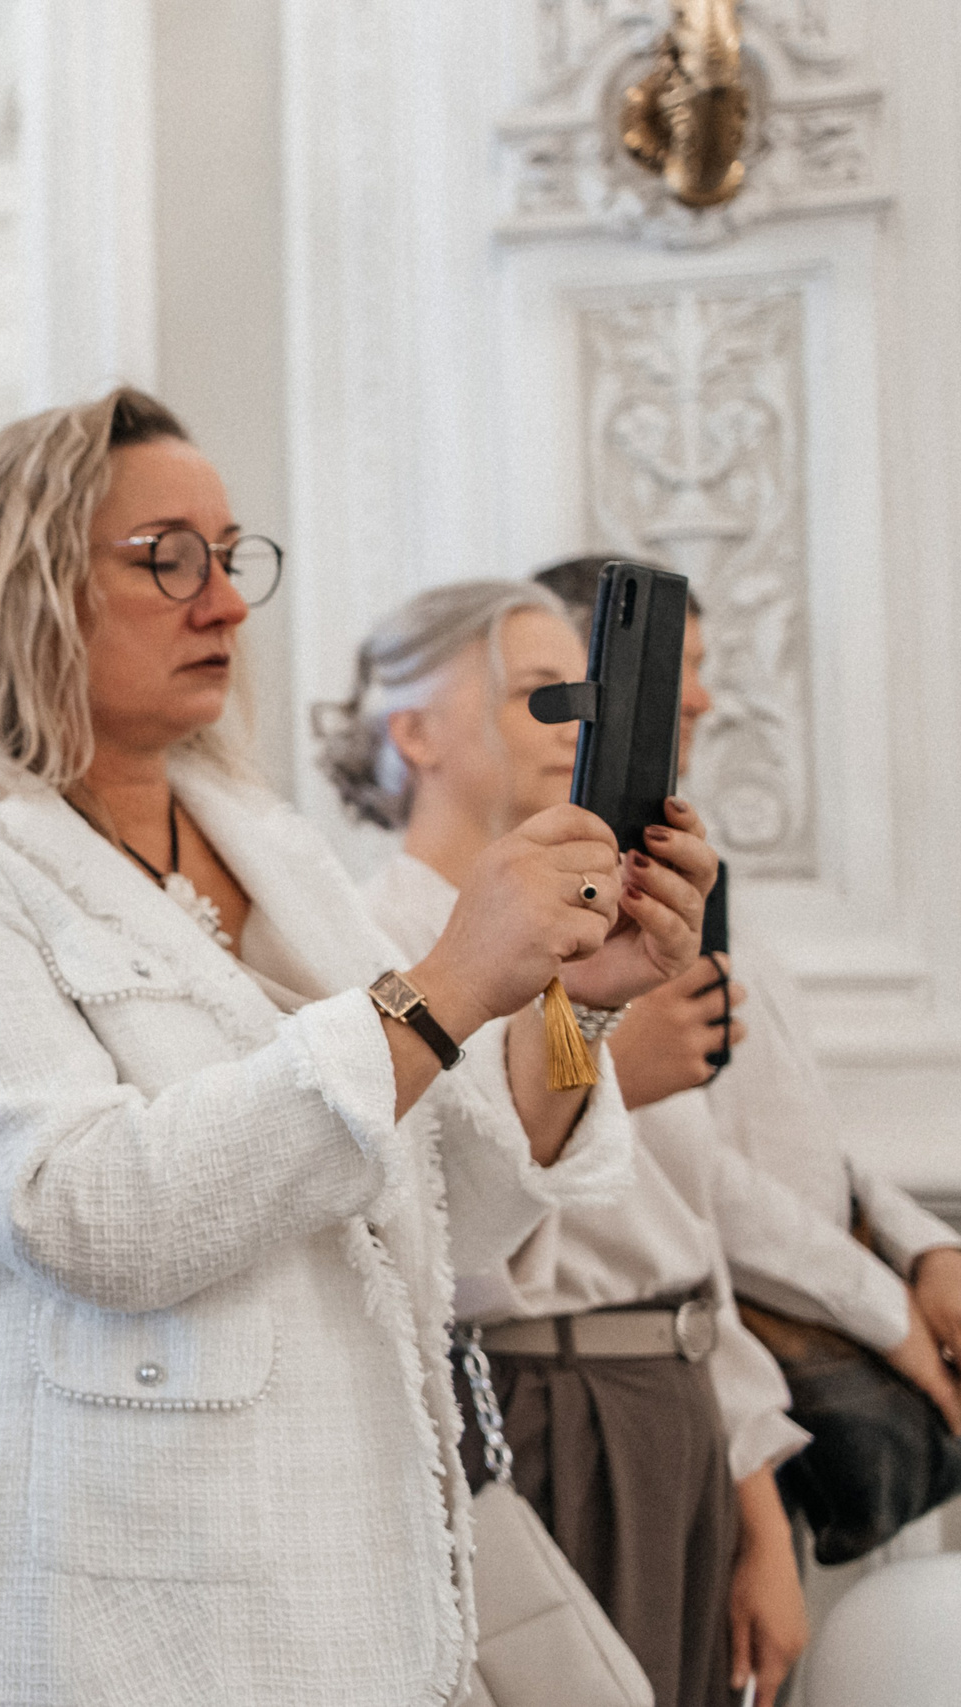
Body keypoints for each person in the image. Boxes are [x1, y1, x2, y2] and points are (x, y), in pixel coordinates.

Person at [0, 388, 707, 1705]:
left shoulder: (272, 845)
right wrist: (451, 980)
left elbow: (447, 1217)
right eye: (165, 557)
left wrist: (580, 1008)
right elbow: (93, 1212)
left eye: (232, 558)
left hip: (342, 1600)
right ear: (25, 586)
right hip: (89, 1611)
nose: (226, 601)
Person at [326, 577, 958, 1705]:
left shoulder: (595, 921)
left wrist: (752, 1491)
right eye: (536, 695)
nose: (575, 728)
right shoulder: (367, 935)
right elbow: (423, 1213)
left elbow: (685, 1225)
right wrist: (598, 1055)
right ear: (409, 728)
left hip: (675, 1397)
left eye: (583, 697)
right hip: (529, 1396)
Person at [532, 556, 961, 1376]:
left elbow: (792, 1120)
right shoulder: (565, 907)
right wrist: (885, 1311)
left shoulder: (688, 876)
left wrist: (921, 1244)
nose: (702, 699)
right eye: (681, 668)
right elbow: (686, 1156)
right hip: (739, 1346)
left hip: (821, 1317)